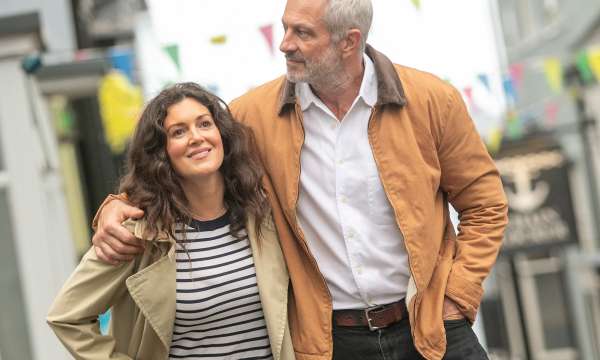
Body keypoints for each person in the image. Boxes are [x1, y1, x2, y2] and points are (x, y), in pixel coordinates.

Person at [91, 0, 509, 359]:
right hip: (328, 343)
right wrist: (116, 205)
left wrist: (458, 294)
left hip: (433, 328)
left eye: (302, 33)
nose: (285, 43)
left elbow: (485, 203)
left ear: (349, 40)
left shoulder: (432, 100)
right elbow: (180, 164)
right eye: (285, 27)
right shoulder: (252, 117)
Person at [47, 83, 295, 360]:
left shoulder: (262, 215)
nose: (196, 137)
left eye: (204, 124)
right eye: (178, 132)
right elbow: (66, 316)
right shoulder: (137, 233)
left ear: (222, 135)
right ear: (161, 152)